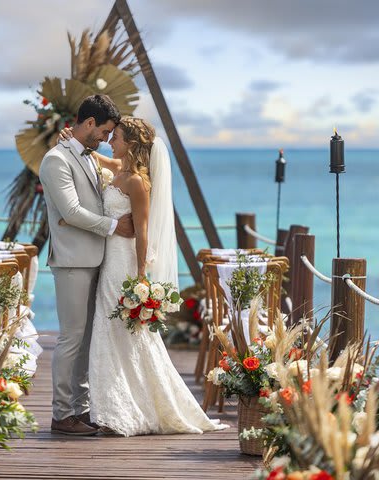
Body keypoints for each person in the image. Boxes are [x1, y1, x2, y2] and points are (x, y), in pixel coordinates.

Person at [61, 117, 227, 436]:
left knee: (119, 332)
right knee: (111, 332)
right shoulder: (120, 170)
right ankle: (115, 406)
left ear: (132, 145)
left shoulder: (137, 181)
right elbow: (100, 156)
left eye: (118, 137)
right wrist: (72, 140)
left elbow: (143, 232)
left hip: (123, 263)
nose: (112, 141)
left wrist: (140, 276)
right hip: (108, 259)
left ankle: (119, 412)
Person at [38, 94, 135, 436]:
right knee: (71, 338)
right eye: (105, 131)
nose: (108, 138)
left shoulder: (88, 156)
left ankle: (79, 409)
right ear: (90, 123)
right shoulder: (56, 160)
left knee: (87, 338)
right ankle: (61, 413)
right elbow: (71, 212)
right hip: (72, 262)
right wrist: (113, 226)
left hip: (98, 259)